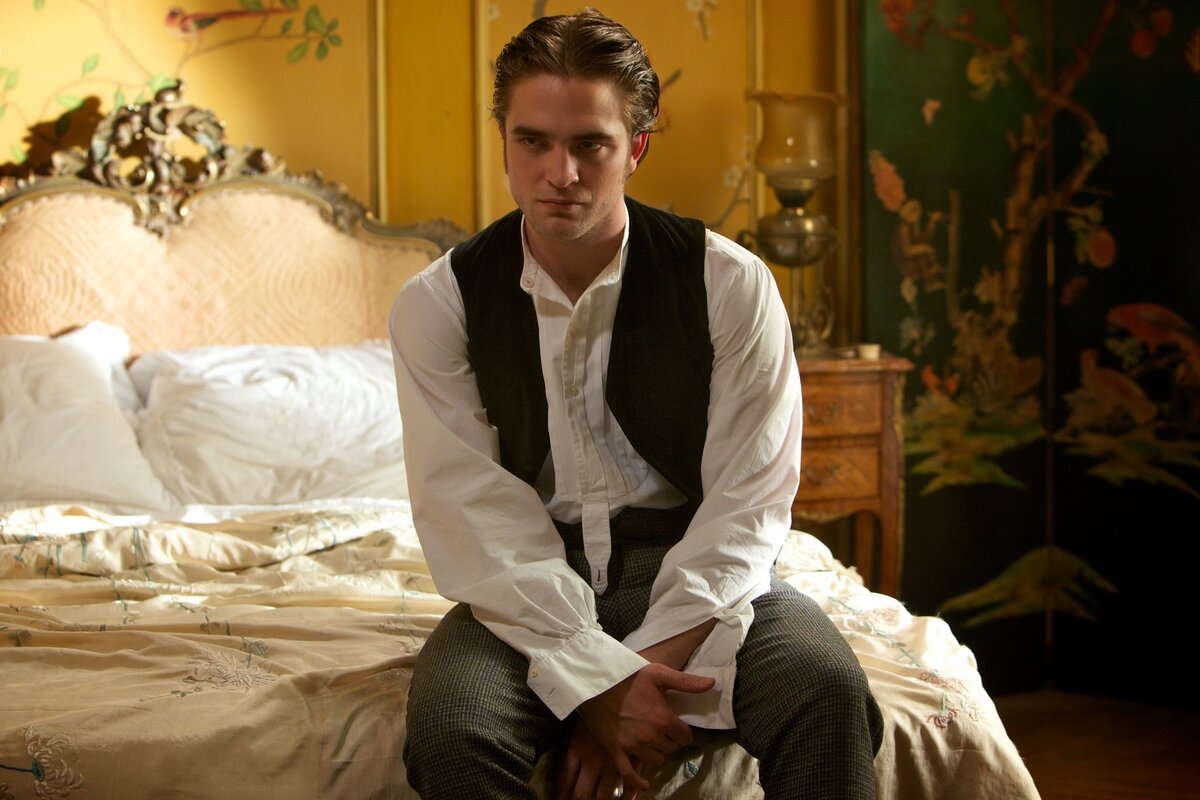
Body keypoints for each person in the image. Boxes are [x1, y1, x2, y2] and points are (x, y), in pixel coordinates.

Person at [389, 9, 883, 799]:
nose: (559, 172)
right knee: (454, 731)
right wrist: (592, 677)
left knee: (826, 690)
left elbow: (748, 501)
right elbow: (470, 512)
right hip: (526, 584)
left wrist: (632, 682)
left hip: (695, 571)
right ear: (504, 141)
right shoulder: (438, 303)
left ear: (636, 148)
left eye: (590, 144)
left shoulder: (730, 284)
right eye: (532, 141)